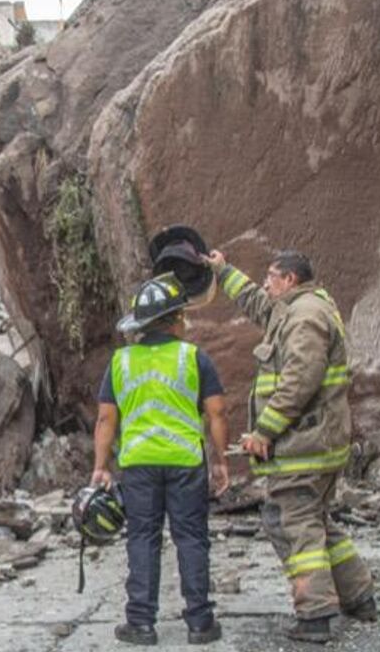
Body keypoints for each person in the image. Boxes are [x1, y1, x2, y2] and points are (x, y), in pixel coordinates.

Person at [206, 248, 375, 643]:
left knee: (292, 523)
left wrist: (264, 431)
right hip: (317, 444)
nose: (265, 284)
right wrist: (222, 270)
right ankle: (359, 596)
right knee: (316, 521)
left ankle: (316, 615)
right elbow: (256, 302)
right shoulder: (297, 309)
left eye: (271, 277)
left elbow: (300, 379)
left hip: (305, 446)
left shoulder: (305, 318)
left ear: (290, 281)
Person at [91, 274, 230, 646]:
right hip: (186, 461)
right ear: (174, 320)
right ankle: (200, 623)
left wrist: (101, 467)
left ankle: (140, 623)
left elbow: (107, 418)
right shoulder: (194, 357)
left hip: (138, 464)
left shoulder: (121, 362)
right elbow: (216, 414)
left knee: (142, 538)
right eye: (182, 315)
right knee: (192, 538)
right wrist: (220, 462)